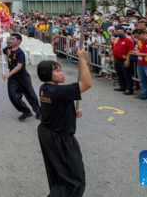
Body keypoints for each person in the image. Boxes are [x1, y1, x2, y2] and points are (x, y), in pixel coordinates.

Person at [37, 47, 91, 197]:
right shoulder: (59, 91)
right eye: (56, 71)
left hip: (48, 132)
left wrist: (71, 114)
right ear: (47, 74)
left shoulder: (45, 88)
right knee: (74, 181)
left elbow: (53, 108)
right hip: (60, 138)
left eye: (60, 69)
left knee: (60, 176)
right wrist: (82, 59)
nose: (61, 73)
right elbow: (86, 83)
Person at [0, 33, 41, 121]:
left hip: (22, 76)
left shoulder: (20, 52)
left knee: (30, 94)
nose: (11, 40)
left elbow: (19, 66)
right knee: (12, 95)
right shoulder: (8, 49)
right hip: (13, 76)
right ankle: (26, 111)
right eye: (10, 39)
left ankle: (39, 112)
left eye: (13, 39)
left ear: (18, 41)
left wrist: (7, 75)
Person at [111, 26, 135, 95]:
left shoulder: (128, 41)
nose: (119, 33)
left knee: (127, 74)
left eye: (120, 32)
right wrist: (113, 57)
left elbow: (130, 51)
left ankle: (129, 89)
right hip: (117, 59)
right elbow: (113, 49)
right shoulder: (116, 40)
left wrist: (127, 60)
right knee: (119, 74)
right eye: (118, 32)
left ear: (125, 33)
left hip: (124, 59)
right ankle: (122, 86)